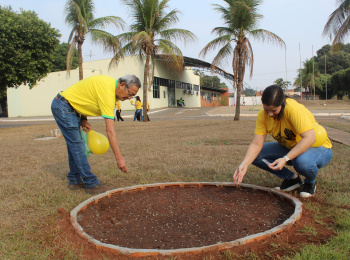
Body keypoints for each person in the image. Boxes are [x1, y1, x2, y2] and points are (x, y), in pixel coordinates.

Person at [233, 85, 333, 198]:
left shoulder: (293, 110)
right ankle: (292, 179)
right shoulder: (262, 115)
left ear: (282, 103)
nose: (270, 114)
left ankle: (310, 182)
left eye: (274, 110)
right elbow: (256, 144)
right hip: (291, 147)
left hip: (318, 148)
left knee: (302, 162)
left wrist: (285, 158)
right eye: (267, 110)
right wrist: (244, 164)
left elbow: (310, 138)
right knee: (255, 155)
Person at [51, 74, 141, 193]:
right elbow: (110, 131)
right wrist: (119, 158)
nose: (129, 98)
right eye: (130, 94)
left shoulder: (109, 86)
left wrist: (84, 119)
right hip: (64, 107)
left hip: (70, 107)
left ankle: (74, 180)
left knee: (75, 146)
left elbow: (85, 96)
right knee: (77, 146)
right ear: (122, 85)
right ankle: (91, 183)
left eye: (133, 96)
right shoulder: (108, 94)